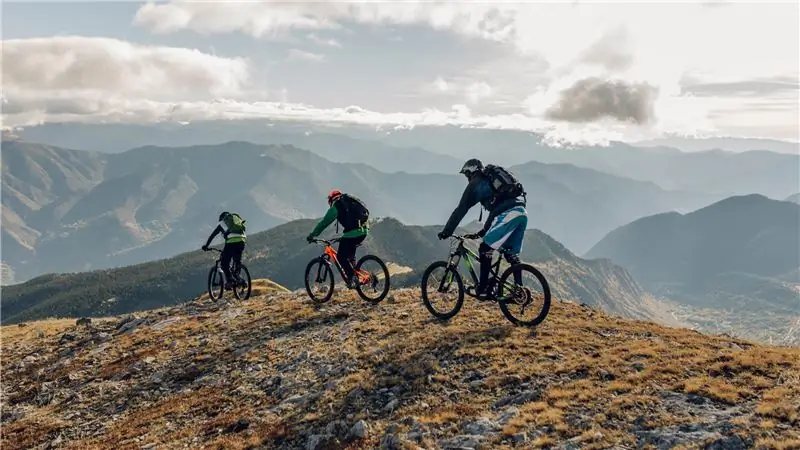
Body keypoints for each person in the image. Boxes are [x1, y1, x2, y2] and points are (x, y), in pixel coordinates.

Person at [437, 158, 528, 299]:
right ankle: (519, 291)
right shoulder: (489, 183)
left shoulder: (475, 184)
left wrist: (447, 231)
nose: (467, 178)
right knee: (511, 254)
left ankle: (483, 289)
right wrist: (483, 231)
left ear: (471, 171)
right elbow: (495, 212)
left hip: (509, 214)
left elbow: (461, 210)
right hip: (521, 212)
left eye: (467, 174)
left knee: (485, 249)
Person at [306, 190, 370, 288]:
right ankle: (355, 275)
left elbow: (323, 223)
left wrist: (312, 235)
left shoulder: (337, 206)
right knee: (348, 254)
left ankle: (353, 278)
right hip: (364, 231)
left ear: (331, 200)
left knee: (340, 257)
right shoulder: (350, 202)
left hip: (353, 233)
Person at [202, 211, 247, 289]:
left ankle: (229, 281)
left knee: (224, 262)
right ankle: (239, 279)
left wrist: (206, 246)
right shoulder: (235, 220)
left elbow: (212, 236)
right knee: (237, 262)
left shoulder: (221, 224)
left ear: (222, 218)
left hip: (231, 243)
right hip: (241, 241)